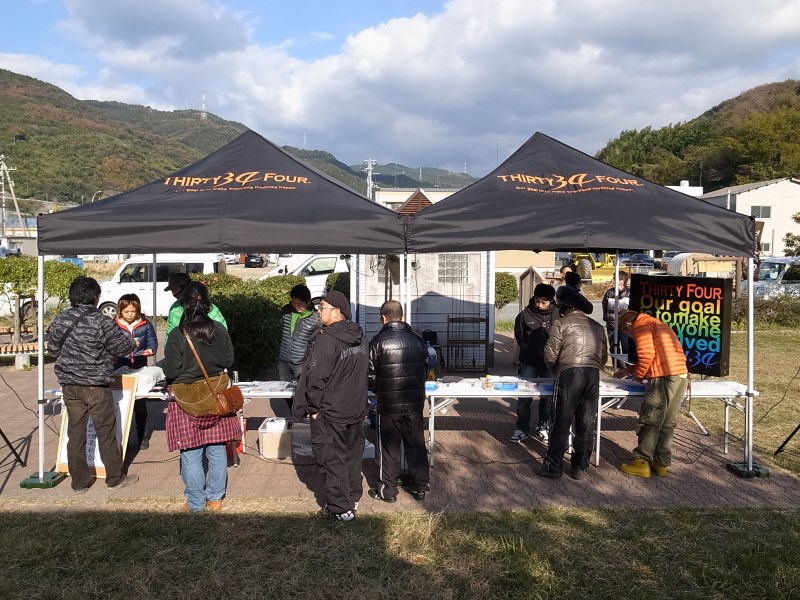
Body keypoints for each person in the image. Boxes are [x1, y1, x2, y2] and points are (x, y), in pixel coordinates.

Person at [47, 276, 139, 493]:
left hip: (70, 384)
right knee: (105, 432)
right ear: (95, 297)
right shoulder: (101, 321)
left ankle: (79, 482)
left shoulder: (60, 319)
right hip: (96, 385)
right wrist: (132, 342)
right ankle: (114, 479)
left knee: (75, 433)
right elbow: (122, 348)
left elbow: (52, 350)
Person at [163, 281, 240, 512]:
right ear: (207, 303)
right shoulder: (220, 329)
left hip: (187, 399)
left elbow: (171, 370)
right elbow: (229, 361)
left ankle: (196, 503)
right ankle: (215, 499)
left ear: (184, 304)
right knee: (216, 449)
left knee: (191, 452)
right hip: (216, 395)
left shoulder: (178, 334)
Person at [292, 290, 368, 522]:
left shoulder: (327, 340)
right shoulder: (359, 336)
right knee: (352, 455)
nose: (318, 311)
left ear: (336, 312)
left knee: (333, 459)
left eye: (322, 307)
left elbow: (316, 378)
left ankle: (340, 508)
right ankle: (352, 496)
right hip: (355, 409)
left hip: (331, 412)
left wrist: (313, 409)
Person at [537, 286, 608, 480]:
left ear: (566, 308)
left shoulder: (561, 324)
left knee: (561, 422)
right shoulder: (598, 326)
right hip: (592, 375)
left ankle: (553, 466)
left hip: (569, 375)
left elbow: (550, 354)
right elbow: (603, 357)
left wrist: (557, 370)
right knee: (586, 424)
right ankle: (579, 467)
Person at [367, 300, 430, 503]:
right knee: (416, 445)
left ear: (383, 318)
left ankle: (388, 491)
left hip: (388, 404)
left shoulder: (377, 342)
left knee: (389, 449)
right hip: (414, 404)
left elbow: (370, 377)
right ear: (402, 317)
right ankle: (420, 487)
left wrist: (381, 390)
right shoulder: (418, 341)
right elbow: (425, 371)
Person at [614, 310, 688, 479]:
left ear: (628, 325)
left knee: (651, 419)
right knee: (667, 421)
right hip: (680, 374)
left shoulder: (641, 325)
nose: (631, 338)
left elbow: (647, 356)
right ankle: (661, 462)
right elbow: (656, 355)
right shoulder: (656, 323)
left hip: (663, 376)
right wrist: (629, 370)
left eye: (627, 334)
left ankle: (641, 461)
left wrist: (638, 376)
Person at [510, 283, 559, 443]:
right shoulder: (524, 315)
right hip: (529, 362)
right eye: (538, 301)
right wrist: (527, 348)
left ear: (551, 301)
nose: (539, 305)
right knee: (524, 396)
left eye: (544, 302)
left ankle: (544, 427)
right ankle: (521, 428)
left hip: (550, 363)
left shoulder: (558, 315)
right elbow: (520, 336)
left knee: (547, 398)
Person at [113, 293, 158, 450]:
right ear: (120, 311)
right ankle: (121, 436)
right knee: (120, 404)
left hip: (139, 368)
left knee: (140, 404)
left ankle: (142, 437)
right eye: (126, 312)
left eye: (133, 311)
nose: (130, 314)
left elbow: (152, 341)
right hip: (119, 368)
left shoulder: (145, 324)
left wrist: (151, 349)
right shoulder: (113, 325)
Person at [277, 284, 320, 382]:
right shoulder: (285, 312)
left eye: (300, 304)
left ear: (308, 302)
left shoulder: (316, 318)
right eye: (294, 303)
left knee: (301, 389)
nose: (296, 306)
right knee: (283, 389)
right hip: (284, 361)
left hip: (302, 364)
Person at [164, 272, 227, 337]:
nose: (173, 294)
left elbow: (222, 333)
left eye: (174, 289)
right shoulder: (174, 308)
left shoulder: (210, 308)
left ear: (185, 288)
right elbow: (169, 334)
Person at [601, 272, 631, 366]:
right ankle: (617, 366)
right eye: (614, 279)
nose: (614, 281)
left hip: (625, 327)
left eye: (616, 279)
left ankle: (628, 366)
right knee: (614, 347)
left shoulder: (629, 293)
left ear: (622, 281)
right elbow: (604, 304)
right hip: (612, 326)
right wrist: (606, 317)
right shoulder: (609, 292)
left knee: (626, 347)